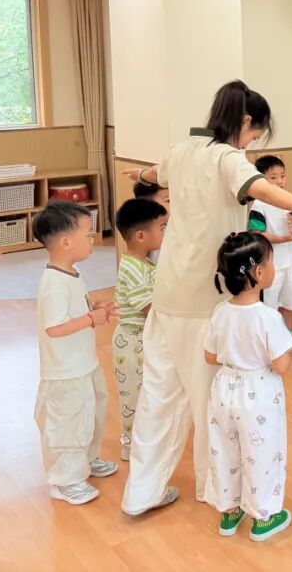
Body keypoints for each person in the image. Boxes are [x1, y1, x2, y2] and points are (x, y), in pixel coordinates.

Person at [120, 80, 292, 516]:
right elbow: (260, 188)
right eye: (255, 133)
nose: (252, 142)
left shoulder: (183, 149)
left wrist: (140, 176)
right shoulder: (227, 158)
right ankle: (215, 490)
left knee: (158, 396)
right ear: (245, 121)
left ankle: (140, 493)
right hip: (203, 299)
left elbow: (154, 174)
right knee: (207, 401)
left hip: (167, 292)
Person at [204, 232, 292, 542]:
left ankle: (229, 511)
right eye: (271, 263)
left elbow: (209, 355)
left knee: (225, 449)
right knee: (262, 452)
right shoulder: (268, 317)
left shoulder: (220, 311)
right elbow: (281, 365)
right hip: (259, 393)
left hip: (223, 390)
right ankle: (263, 516)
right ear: (259, 272)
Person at [32, 201, 119, 505]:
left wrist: (94, 307)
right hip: (65, 372)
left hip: (84, 363)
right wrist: (90, 319)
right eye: (88, 234)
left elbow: (75, 306)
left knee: (92, 414)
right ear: (66, 242)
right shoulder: (53, 283)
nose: (93, 239)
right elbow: (54, 328)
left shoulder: (71, 272)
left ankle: (87, 459)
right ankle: (65, 481)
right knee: (68, 424)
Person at [113, 197, 168, 462]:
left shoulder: (144, 262)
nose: (165, 233)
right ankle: (130, 444)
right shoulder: (133, 268)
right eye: (162, 227)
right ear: (141, 236)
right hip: (133, 342)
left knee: (148, 393)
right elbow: (149, 308)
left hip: (143, 339)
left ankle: (145, 441)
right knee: (134, 396)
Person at [247, 155, 292, 351]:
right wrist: (282, 239)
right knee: (270, 303)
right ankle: (270, 338)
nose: (280, 181)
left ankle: (290, 333)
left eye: (282, 176)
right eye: (273, 177)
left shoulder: (287, 199)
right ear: (261, 181)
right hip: (271, 264)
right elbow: (256, 233)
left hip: (291, 260)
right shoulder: (259, 205)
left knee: (290, 301)